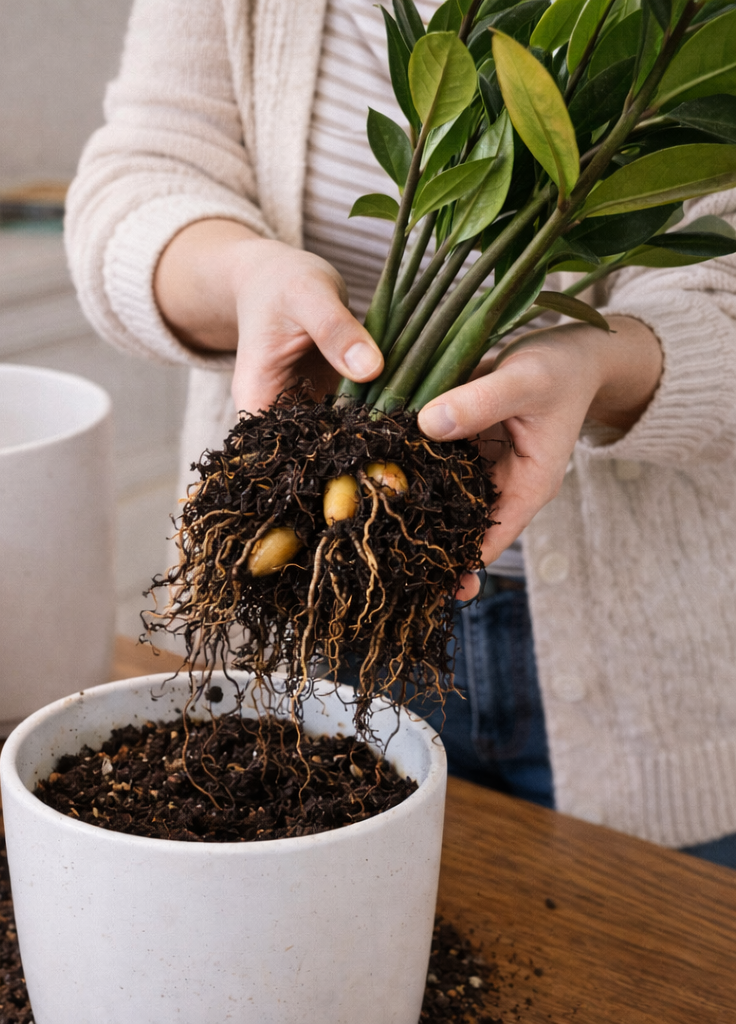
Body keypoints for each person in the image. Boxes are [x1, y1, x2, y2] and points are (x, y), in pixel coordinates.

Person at [65, 0, 736, 867]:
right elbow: (140, 179)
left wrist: (603, 368)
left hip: (666, 676)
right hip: (314, 623)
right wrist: (247, 274)